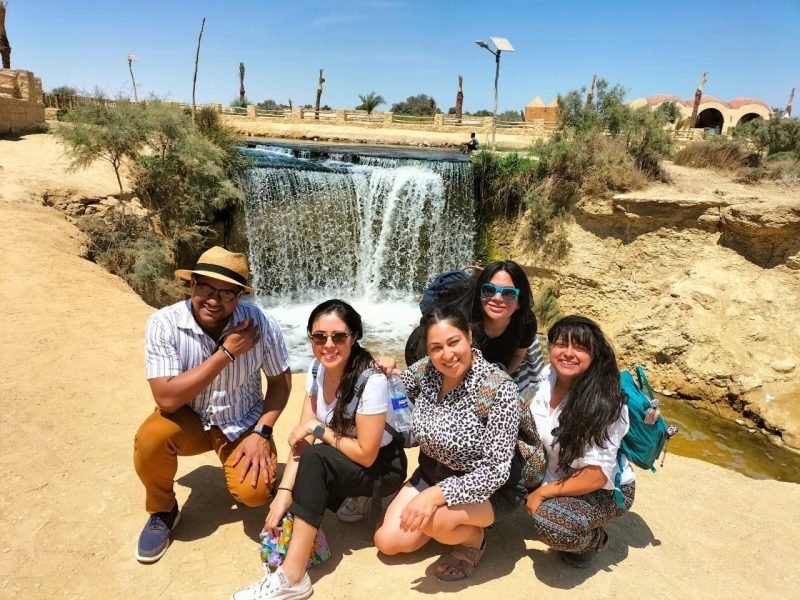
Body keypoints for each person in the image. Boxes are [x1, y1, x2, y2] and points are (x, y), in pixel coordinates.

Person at [338, 259, 543, 524]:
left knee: (478, 436)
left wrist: (498, 380)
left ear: (519, 300)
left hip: (484, 380)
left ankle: (469, 502)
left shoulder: (523, 324)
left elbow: (518, 354)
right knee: (390, 407)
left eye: (508, 293)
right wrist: (387, 377)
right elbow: (434, 358)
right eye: (489, 290)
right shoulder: (457, 324)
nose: (497, 298)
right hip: (436, 366)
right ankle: (371, 481)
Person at [231, 299, 407, 600]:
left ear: (354, 337)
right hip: (347, 459)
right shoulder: (316, 370)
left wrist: (318, 429)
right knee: (308, 464)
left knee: (316, 460)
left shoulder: (372, 380)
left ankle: (293, 577)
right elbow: (301, 441)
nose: (328, 344)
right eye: (319, 336)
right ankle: (358, 499)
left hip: (383, 466)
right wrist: (283, 494)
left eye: (339, 336)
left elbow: (365, 452)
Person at [133, 246, 291, 563]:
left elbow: (280, 383)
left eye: (227, 293)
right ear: (191, 284)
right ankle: (163, 511)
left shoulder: (261, 324)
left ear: (238, 298)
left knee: (255, 494)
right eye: (206, 287)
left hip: (243, 422)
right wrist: (227, 353)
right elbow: (165, 397)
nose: (214, 300)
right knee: (150, 439)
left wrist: (262, 433)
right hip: (187, 417)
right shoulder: (164, 324)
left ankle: (261, 471)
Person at [373, 305, 525, 581]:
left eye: (453, 342)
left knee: (436, 520)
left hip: (490, 489)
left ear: (468, 336)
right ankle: (444, 524)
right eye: (436, 347)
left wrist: (434, 497)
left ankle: (472, 539)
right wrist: (386, 372)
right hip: (432, 473)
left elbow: (497, 471)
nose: (447, 354)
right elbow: (395, 392)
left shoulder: (498, 388)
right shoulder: (425, 371)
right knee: (387, 542)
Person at [524, 315, 635, 568]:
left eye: (581, 348)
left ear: (595, 355)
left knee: (554, 525)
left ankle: (594, 540)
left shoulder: (607, 402)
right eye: (562, 344)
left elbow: (596, 475)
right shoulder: (546, 376)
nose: (569, 353)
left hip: (601, 489)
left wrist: (542, 493)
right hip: (553, 470)